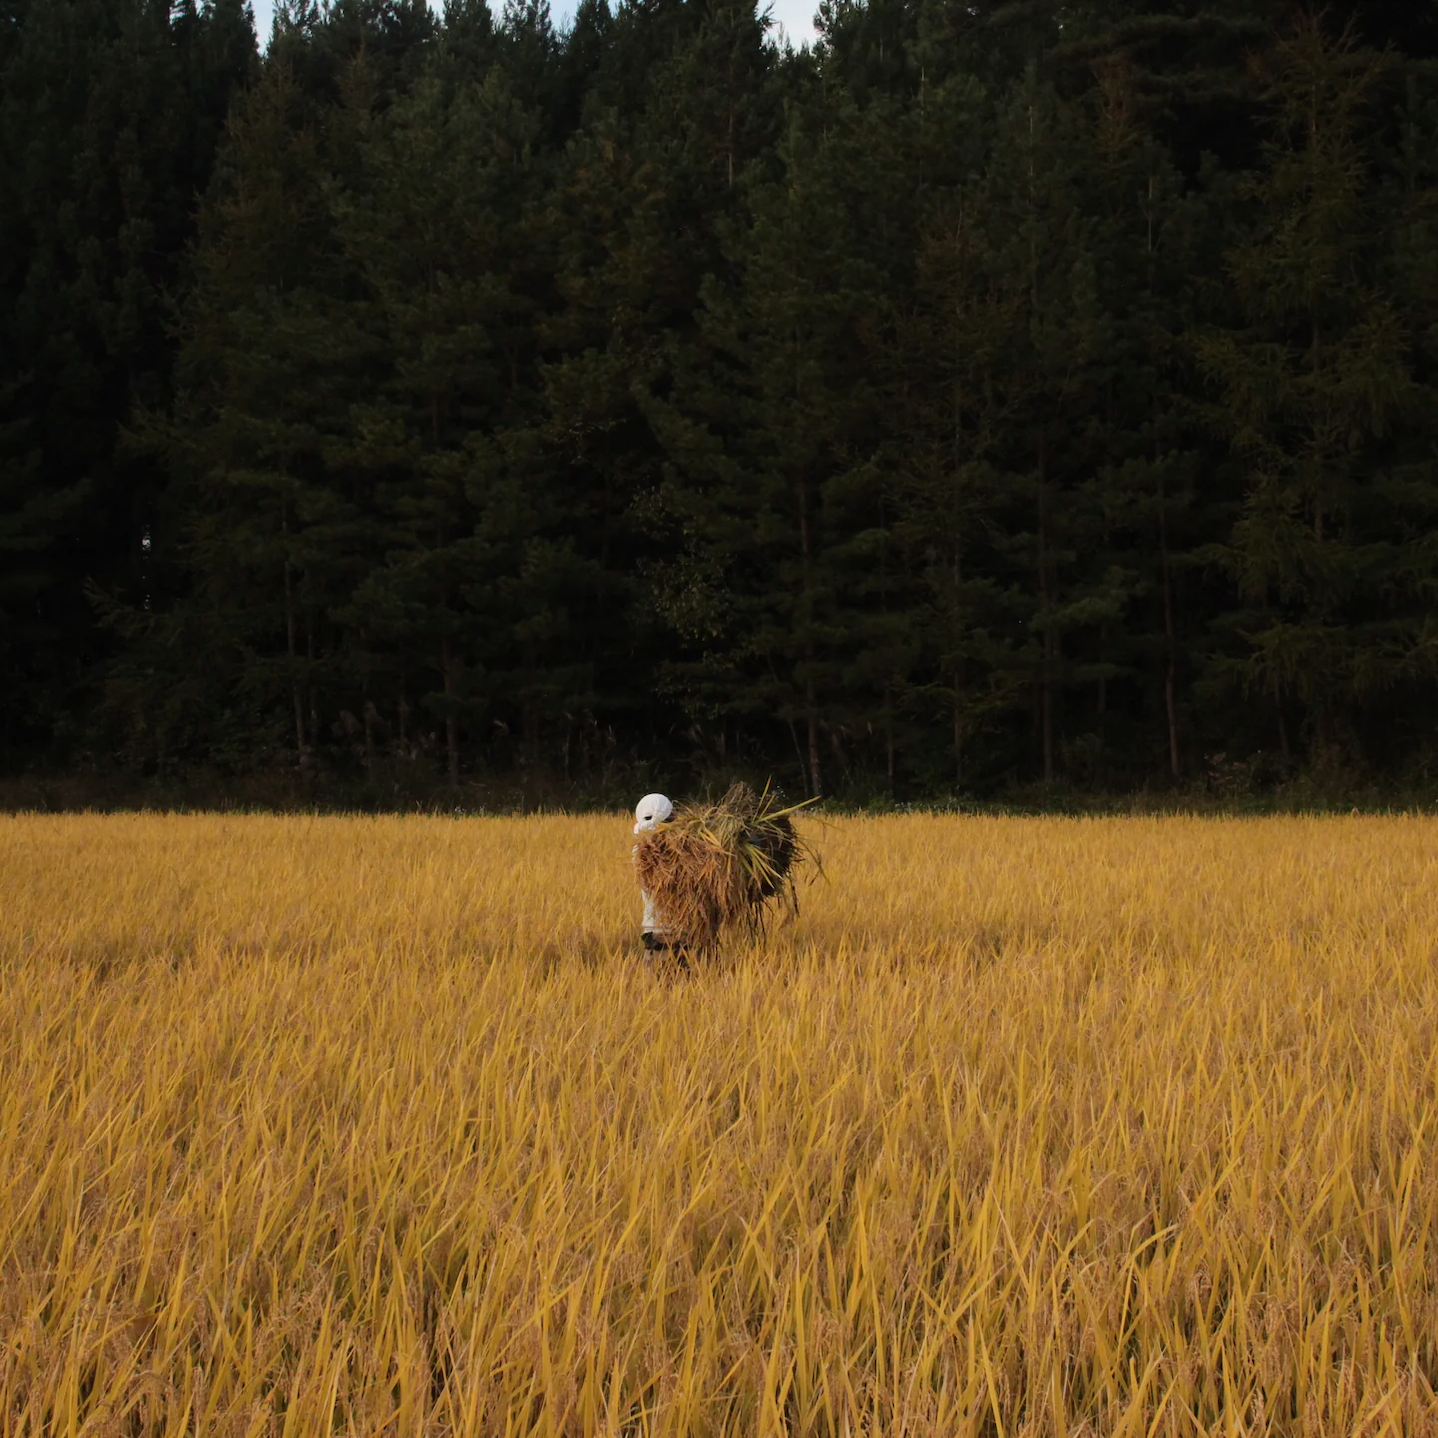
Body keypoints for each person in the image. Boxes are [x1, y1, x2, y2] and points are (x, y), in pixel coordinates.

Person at [632, 793, 685, 963]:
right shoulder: (682, 850)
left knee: (653, 987)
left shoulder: (639, 851)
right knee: (681, 985)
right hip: (676, 930)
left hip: (651, 929)